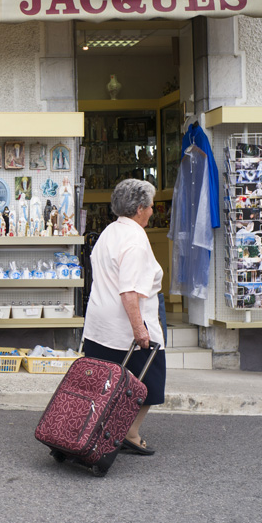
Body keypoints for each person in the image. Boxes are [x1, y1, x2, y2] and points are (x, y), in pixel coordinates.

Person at [81, 178, 166, 455]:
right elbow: (129, 292)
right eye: (151, 206)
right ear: (140, 208)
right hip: (124, 328)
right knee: (148, 382)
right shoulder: (136, 241)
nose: (153, 211)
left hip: (99, 324)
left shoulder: (109, 232)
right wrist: (140, 330)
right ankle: (129, 433)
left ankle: (91, 429)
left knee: (101, 383)